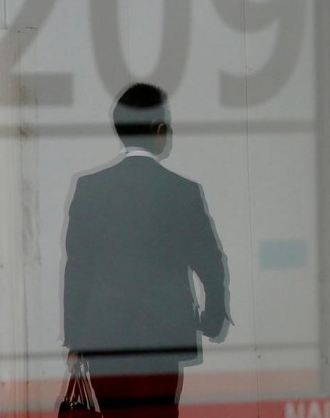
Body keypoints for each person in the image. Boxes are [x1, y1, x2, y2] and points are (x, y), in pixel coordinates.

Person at [62, 83, 230, 417]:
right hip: (163, 339)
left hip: (104, 341)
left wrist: (75, 339)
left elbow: (78, 270)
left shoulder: (90, 190)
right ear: (158, 129)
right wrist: (212, 318)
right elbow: (211, 263)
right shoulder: (182, 192)